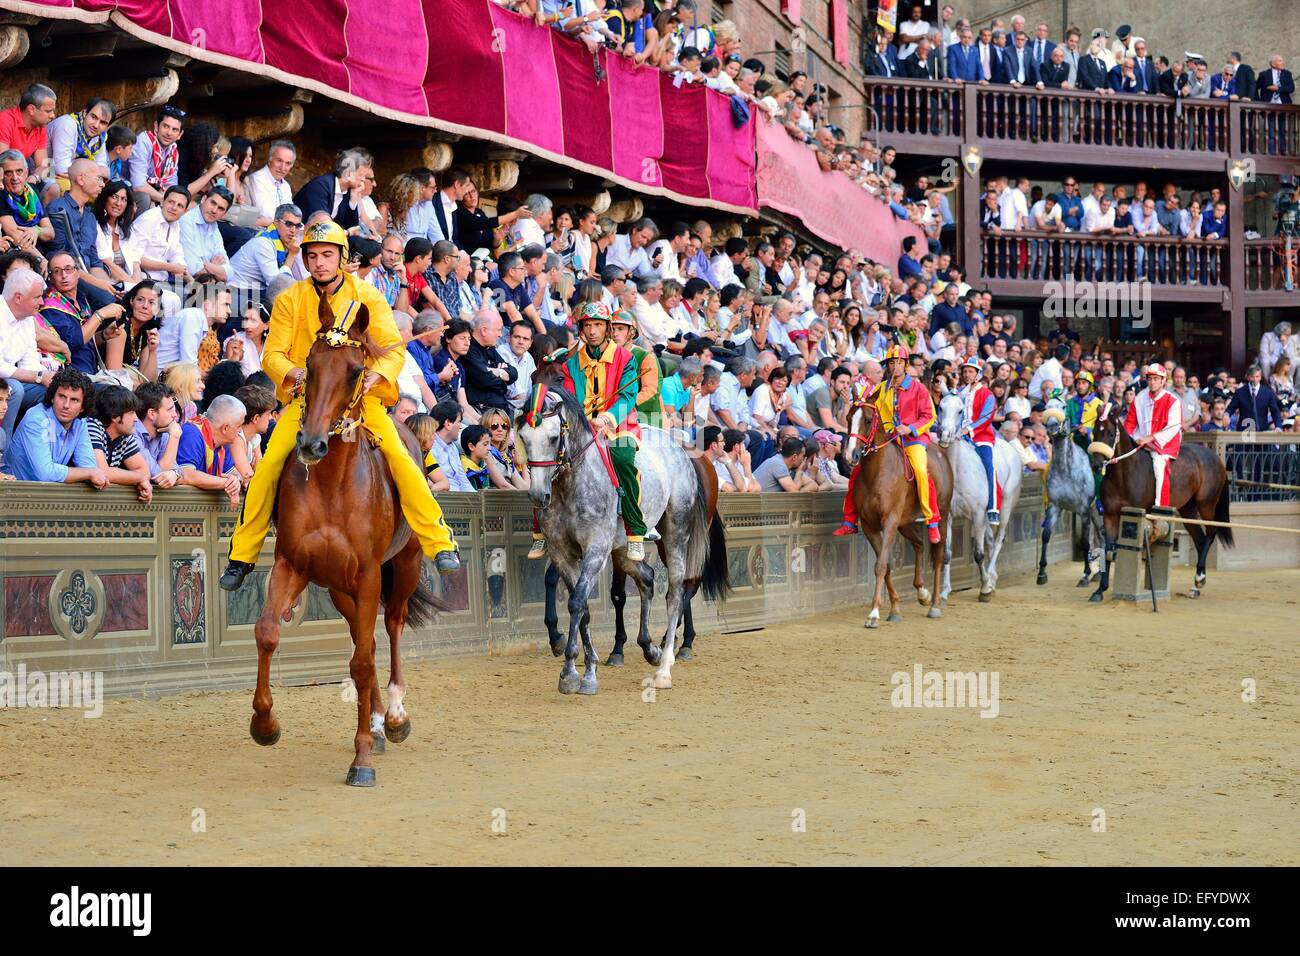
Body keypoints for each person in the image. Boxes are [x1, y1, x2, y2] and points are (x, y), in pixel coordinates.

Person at [218, 219, 461, 591]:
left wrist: (374, 378)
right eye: (312, 256)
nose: (319, 263)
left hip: (361, 402)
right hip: (306, 404)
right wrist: (299, 375)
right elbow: (273, 356)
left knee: (400, 458)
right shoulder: (289, 299)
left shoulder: (370, 297)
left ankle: (439, 542)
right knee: (267, 467)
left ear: (341, 257)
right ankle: (243, 556)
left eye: (327, 255)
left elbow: (391, 352)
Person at [544, 301, 650, 560]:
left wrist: (607, 417)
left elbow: (627, 397)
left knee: (623, 458)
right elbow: (568, 397)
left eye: (598, 325)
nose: (592, 331)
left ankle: (635, 531)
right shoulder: (570, 365)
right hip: (582, 427)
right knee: (549, 457)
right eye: (588, 325)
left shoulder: (626, 359)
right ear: (581, 329)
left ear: (607, 329)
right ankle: (542, 530)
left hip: (619, 425)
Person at [835, 342, 943, 543]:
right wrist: (852, 402)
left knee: (920, 469)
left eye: (899, 362)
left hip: (913, 439)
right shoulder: (880, 388)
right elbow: (866, 409)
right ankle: (849, 520)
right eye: (891, 363)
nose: (895, 366)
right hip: (886, 440)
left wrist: (909, 427)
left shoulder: (918, 388)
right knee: (857, 471)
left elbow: (930, 416)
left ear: (906, 365)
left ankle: (932, 520)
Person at [1124, 363, 1182, 508]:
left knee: (1158, 464)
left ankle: (1160, 506)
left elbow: (1174, 427)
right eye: (1150, 379)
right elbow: (1130, 422)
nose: (1152, 382)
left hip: (1164, 444)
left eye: (1156, 379)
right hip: (1140, 440)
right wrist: (1131, 437)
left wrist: (1150, 438)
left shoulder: (1173, 400)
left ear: (1163, 381)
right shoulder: (1139, 398)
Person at [86, 384, 152, 501]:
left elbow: (144, 472)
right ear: (115, 416)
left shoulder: (125, 435)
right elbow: (102, 471)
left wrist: (140, 477)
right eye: (131, 413)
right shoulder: (92, 426)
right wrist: (139, 478)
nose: (136, 419)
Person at [956, 357, 1000, 524]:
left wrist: (969, 430)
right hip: (959, 436)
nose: (967, 374)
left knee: (989, 466)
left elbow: (987, 417)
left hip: (981, 437)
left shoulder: (987, 394)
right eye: (965, 371)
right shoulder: (959, 393)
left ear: (978, 374)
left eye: (971, 371)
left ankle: (992, 507)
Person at [1225, 364, 1285, 431]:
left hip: (1262, 430)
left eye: (1257, 376)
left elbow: (1275, 411)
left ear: (1260, 377)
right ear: (1247, 377)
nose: (1255, 379)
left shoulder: (1268, 393)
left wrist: (1278, 426)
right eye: (1252, 377)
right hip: (1244, 431)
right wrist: (1226, 414)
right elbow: (1231, 408)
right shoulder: (1240, 392)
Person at [753, 435, 818, 492]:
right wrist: (799, 473)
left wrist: (800, 491)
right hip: (753, 503)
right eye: (803, 456)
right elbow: (794, 492)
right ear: (794, 457)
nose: (803, 459)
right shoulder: (777, 463)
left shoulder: (791, 467)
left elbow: (814, 486)